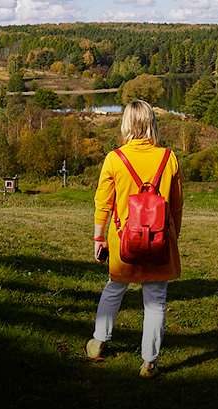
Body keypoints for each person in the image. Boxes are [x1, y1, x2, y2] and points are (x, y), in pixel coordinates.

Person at [86, 100, 183, 378]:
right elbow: (176, 205)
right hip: (159, 241)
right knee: (156, 300)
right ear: (152, 122)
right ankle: (149, 363)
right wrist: (173, 235)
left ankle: (99, 342)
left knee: (114, 289)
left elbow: (102, 203)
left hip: (123, 242)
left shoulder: (115, 158)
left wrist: (98, 238)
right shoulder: (169, 158)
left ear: (126, 123)